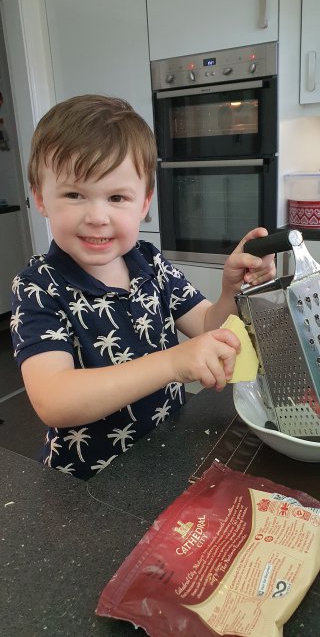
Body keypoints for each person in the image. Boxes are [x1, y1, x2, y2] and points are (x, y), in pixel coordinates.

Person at [10, 94, 275, 480]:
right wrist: (172, 362)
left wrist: (230, 292)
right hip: (87, 482)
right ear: (40, 197)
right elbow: (55, 399)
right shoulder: (38, 287)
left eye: (117, 197)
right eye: (74, 195)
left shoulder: (149, 262)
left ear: (144, 203)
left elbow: (207, 326)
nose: (97, 216)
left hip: (167, 450)